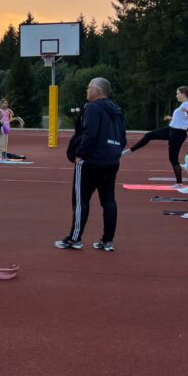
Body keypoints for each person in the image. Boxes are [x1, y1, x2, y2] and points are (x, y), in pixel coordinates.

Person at [55, 77, 126, 252]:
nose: (86, 91)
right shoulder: (116, 110)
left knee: (80, 201)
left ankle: (74, 238)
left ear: (98, 91)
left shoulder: (92, 108)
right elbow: (122, 138)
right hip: (111, 161)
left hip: (91, 161)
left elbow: (90, 133)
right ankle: (107, 241)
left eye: (89, 87)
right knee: (108, 200)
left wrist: (80, 154)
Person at [120, 87, 188, 185]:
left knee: (173, 158)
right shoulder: (183, 105)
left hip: (177, 133)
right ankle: (129, 151)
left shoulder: (187, 104)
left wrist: (187, 112)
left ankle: (179, 184)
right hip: (171, 130)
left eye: (178, 93)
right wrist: (172, 118)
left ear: (183, 94)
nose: (176, 96)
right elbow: (183, 119)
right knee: (148, 135)